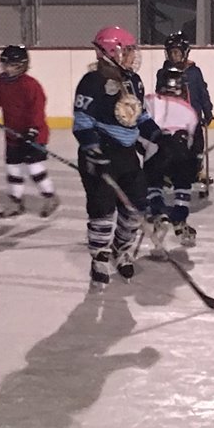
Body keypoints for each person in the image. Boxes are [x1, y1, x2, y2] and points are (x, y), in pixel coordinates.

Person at [73, 25, 154, 286]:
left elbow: (140, 116)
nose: (133, 55)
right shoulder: (92, 81)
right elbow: (83, 122)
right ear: (113, 51)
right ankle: (99, 256)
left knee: (136, 206)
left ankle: (121, 248)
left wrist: (161, 138)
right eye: (129, 50)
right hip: (99, 157)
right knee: (102, 211)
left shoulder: (133, 80)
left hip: (127, 156)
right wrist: (93, 151)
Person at [0, 44, 56, 217]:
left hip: (33, 135)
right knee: (13, 169)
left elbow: (37, 110)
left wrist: (32, 131)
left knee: (34, 168)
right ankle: (16, 202)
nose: (7, 69)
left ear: (22, 66)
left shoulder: (30, 85)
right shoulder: (1, 82)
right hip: (13, 134)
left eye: (11, 65)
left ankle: (50, 197)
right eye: (4, 64)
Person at [145, 66, 202, 245]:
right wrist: (196, 160)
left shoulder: (150, 100)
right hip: (181, 149)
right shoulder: (190, 111)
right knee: (182, 182)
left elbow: (140, 124)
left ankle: (159, 214)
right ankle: (179, 216)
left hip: (157, 148)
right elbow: (196, 141)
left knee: (153, 181)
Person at [162, 32, 214, 203]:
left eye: (177, 52)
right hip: (174, 121)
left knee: (197, 145)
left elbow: (202, 92)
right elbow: (159, 94)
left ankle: (197, 170)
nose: (174, 56)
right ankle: (170, 172)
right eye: (171, 52)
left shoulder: (194, 72)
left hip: (193, 118)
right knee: (174, 147)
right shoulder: (163, 73)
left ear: (185, 53)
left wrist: (207, 111)